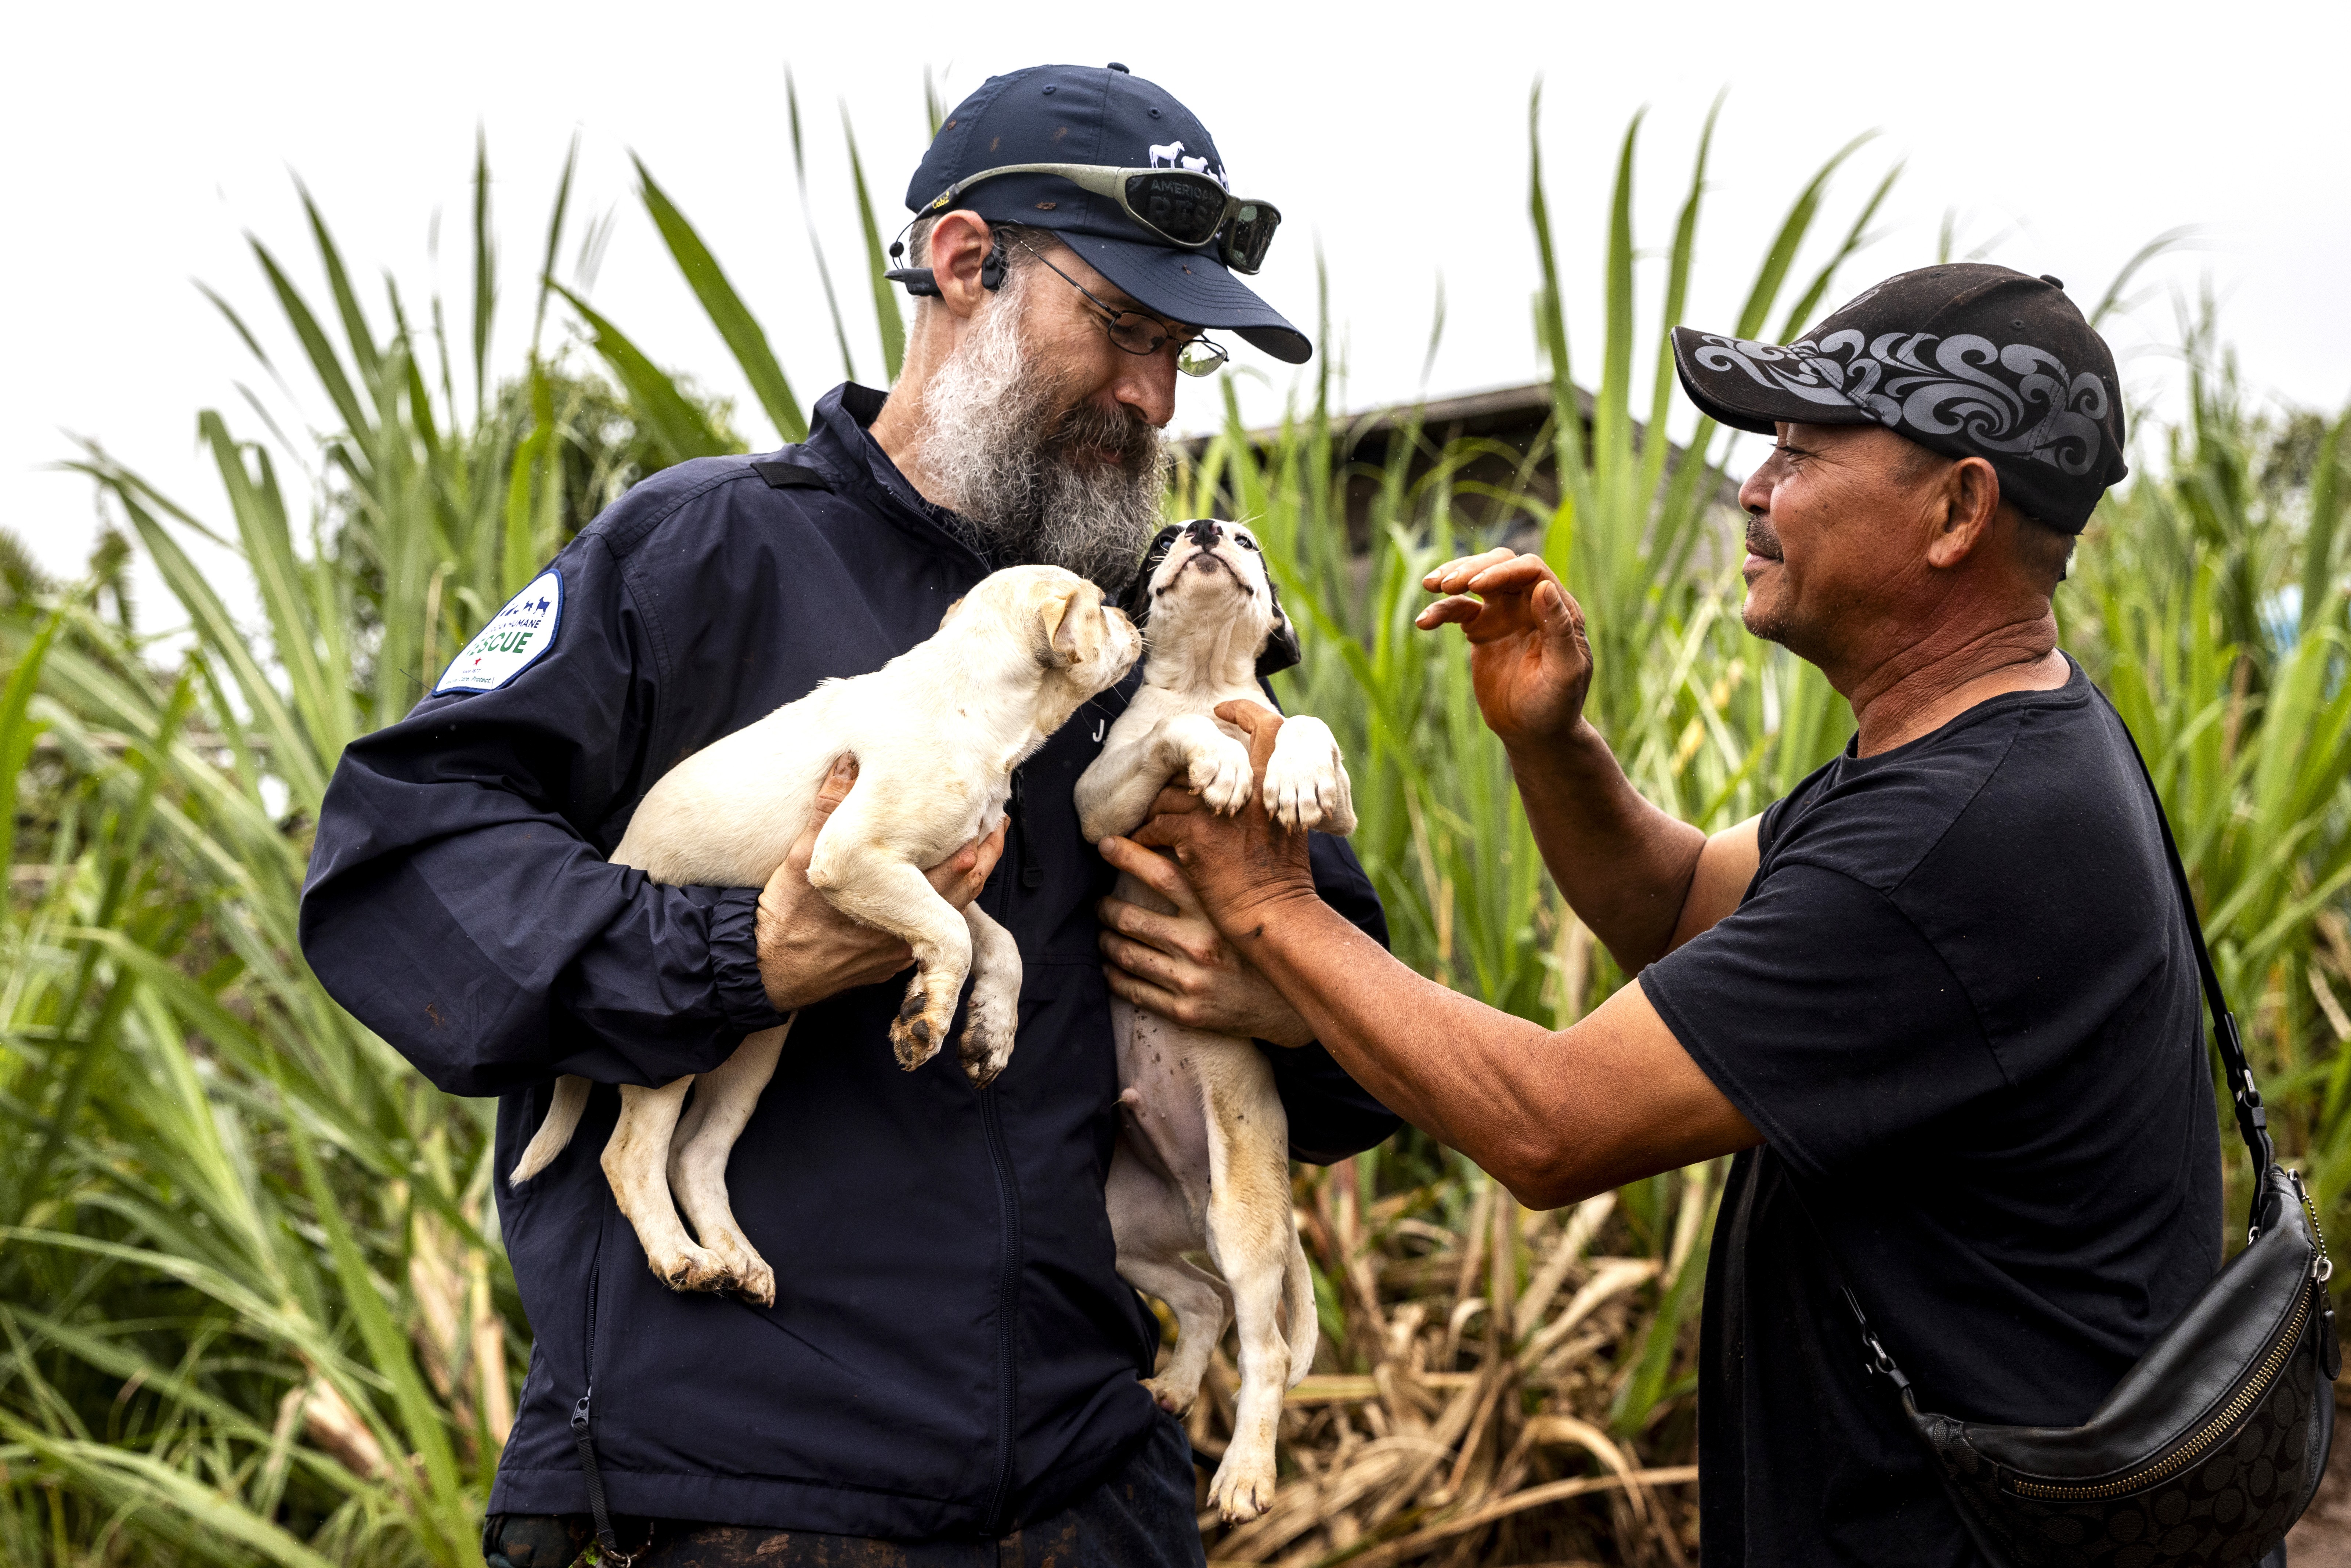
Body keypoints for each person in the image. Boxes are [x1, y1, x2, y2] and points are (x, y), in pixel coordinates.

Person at [298, 63, 1394, 1568]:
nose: (1153, 394)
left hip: (1091, 1491)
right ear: (963, 263)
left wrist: (1284, 987)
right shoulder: (695, 559)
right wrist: (738, 956)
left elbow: (1351, 1072)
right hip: (724, 1501)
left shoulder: (1138, 636)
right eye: (1122, 329)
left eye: (1180, 351)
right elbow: (403, 864)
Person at [1105, 265, 2236, 1564]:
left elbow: (1550, 1126)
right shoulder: (1991, 748)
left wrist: (1268, 907)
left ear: (1957, 509)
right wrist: (1554, 744)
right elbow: (1686, 903)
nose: (1753, 489)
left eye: (1802, 453)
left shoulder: (1958, 836)